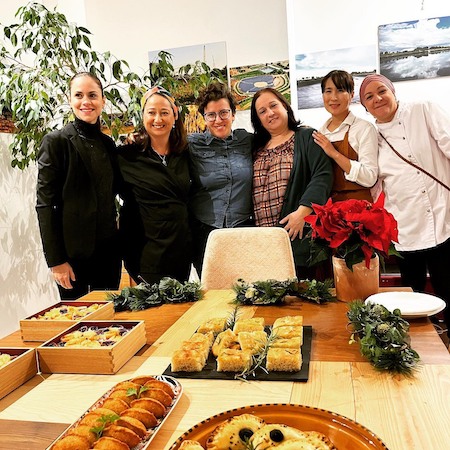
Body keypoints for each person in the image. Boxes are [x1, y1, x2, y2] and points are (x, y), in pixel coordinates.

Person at [360, 73, 450, 338]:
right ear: (364, 107)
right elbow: (374, 181)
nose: (377, 99)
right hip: (405, 225)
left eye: (381, 91)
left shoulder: (422, 110)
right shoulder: (372, 137)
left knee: (448, 287)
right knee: (413, 297)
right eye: (369, 97)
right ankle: (422, 350)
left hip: (442, 215)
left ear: (393, 92)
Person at [36, 72, 121, 299]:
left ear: (103, 100)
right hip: (71, 258)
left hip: (108, 255)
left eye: (93, 95)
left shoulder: (108, 144)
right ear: (70, 100)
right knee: (76, 327)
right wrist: (56, 261)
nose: (86, 102)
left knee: (109, 320)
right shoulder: (56, 142)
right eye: (79, 95)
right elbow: (45, 204)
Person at [250, 87, 333, 278]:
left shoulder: (306, 137)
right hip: (264, 244)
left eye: (273, 106)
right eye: (262, 111)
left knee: (303, 300)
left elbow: (322, 175)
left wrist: (303, 212)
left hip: (298, 235)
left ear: (285, 107)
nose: (269, 113)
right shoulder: (255, 147)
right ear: (258, 120)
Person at [117, 86, 192, 284]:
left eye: (164, 113)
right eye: (151, 113)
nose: (158, 119)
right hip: (146, 256)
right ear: (143, 117)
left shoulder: (186, 153)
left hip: (181, 254)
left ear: (175, 117)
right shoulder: (127, 156)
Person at [188, 82, 253, 275]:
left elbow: (280, 136)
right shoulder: (192, 145)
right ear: (204, 118)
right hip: (205, 231)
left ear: (233, 114)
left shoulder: (248, 141)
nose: (218, 120)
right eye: (211, 115)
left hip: (243, 228)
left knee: (246, 286)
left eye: (224, 112)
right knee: (212, 290)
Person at [312, 70, 378, 202]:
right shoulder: (320, 133)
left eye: (340, 90)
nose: (334, 97)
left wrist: (334, 153)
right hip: (328, 211)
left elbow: (370, 177)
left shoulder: (364, 128)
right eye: (328, 91)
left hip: (359, 210)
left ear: (351, 95)